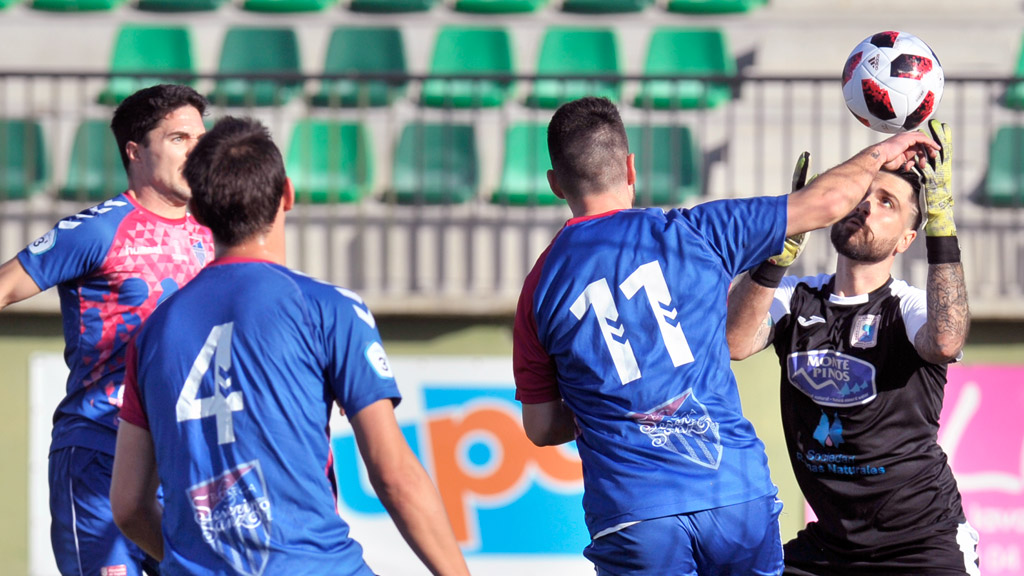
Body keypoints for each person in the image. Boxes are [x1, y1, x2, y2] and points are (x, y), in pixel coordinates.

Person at [512, 96, 939, 576]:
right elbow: (827, 203)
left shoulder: (539, 288)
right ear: (630, 168)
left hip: (635, 515)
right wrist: (883, 151)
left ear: (554, 184)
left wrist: (604, 407)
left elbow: (542, 427)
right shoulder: (695, 231)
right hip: (736, 497)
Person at [110, 116, 471, 576]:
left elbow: (127, 505)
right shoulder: (328, 308)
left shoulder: (153, 332)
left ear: (196, 212)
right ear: (287, 193)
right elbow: (393, 473)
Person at [725, 119, 978, 575]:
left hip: (922, 543)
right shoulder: (796, 296)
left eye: (887, 203)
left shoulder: (907, 307)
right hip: (831, 546)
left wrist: (941, 217)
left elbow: (946, 339)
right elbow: (733, 342)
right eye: (862, 193)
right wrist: (777, 246)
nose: (867, 205)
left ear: (906, 239)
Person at [0, 84, 211, 576]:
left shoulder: (216, 232)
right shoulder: (97, 229)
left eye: (202, 139)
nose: (197, 152)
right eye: (180, 138)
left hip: (183, 463)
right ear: (135, 151)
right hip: (102, 451)